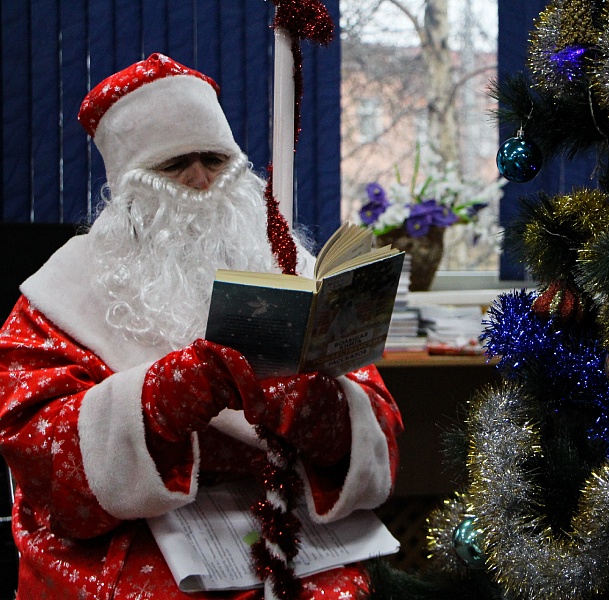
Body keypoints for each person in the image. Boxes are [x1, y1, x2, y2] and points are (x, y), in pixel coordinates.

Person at [0, 53, 403, 600]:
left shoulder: (290, 268)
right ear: (128, 186)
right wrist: (160, 400)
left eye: (214, 158)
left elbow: (381, 433)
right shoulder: (59, 296)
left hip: (284, 519)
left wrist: (326, 414)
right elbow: (37, 457)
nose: (200, 180)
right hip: (134, 537)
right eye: (173, 165)